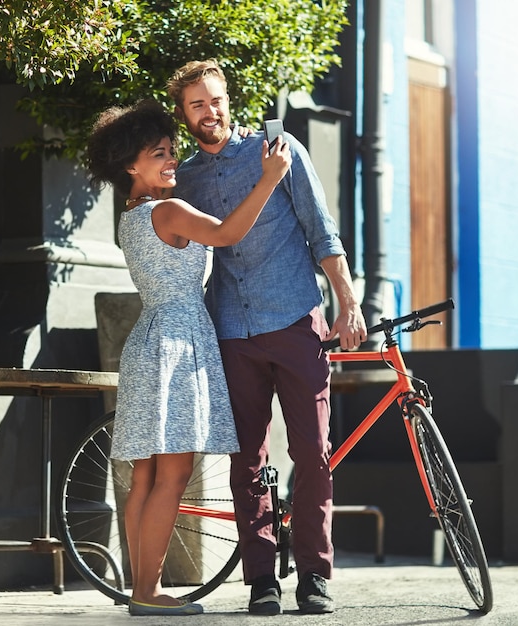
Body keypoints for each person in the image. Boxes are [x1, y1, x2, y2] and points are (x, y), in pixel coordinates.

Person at [167, 59, 367, 616]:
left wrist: (347, 305)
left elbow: (322, 232)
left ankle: (314, 576)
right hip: (231, 330)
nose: (212, 111)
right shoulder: (184, 178)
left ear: (230, 98)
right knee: (247, 459)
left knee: (312, 452)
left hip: (296, 320)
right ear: (184, 115)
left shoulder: (279, 154)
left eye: (217, 99)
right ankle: (261, 580)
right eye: (197, 104)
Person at [85, 99, 291, 617]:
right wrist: (269, 178)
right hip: (179, 341)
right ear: (132, 165)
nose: (172, 160)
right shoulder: (169, 211)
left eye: (173, 151)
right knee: (172, 477)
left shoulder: (130, 218)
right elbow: (225, 235)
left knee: (146, 478)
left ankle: (140, 590)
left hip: (149, 339)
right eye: (160, 153)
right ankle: (149, 593)